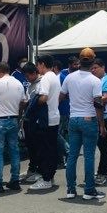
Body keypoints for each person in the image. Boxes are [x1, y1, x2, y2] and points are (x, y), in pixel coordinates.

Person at [60, 47, 106, 200]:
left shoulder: (69, 77)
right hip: (89, 119)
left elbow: (61, 96)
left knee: (72, 156)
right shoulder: (95, 81)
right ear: (93, 62)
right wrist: (102, 124)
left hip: (73, 119)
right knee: (89, 156)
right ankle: (89, 190)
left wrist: (73, 100)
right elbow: (98, 104)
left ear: (79, 61)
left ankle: (71, 190)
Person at [0, 62, 25, 194]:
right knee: (14, 151)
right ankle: (15, 180)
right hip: (13, 119)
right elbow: (24, 101)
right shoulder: (18, 83)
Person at [28, 55, 61, 191]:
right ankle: (49, 177)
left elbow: (44, 97)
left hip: (46, 118)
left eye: (38, 65)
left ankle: (46, 178)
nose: (37, 68)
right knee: (51, 149)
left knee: (44, 150)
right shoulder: (54, 76)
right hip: (54, 116)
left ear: (42, 64)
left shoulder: (46, 78)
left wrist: (34, 104)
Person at [91, 58, 107, 186]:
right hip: (96, 117)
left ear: (103, 67)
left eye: (96, 68)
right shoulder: (96, 81)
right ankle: (103, 171)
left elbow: (104, 99)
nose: (93, 70)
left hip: (106, 118)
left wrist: (88, 99)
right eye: (92, 68)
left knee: (103, 146)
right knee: (100, 146)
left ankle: (104, 172)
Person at [20, 63, 44, 185]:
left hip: (38, 120)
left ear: (34, 73)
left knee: (38, 146)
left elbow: (38, 102)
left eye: (28, 75)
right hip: (28, 119)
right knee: (30, 146)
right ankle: (32, 168)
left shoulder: (41, 83)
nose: (27, 78)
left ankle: (39, 170)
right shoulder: (30, 84)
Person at [57, 56, 79, 167]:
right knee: (59, 134)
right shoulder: (62, 75)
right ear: (70, 65)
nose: (77, 66)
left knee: (67, 134)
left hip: (72, 110)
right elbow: (60, 94)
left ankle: (66, 156)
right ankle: (63, 157)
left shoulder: (78, 74)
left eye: (78, 64)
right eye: (75, 64)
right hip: (61, 110)